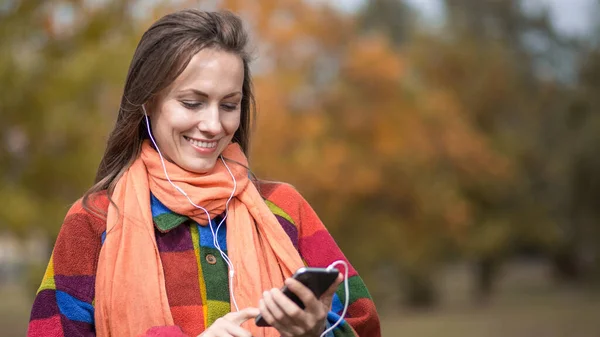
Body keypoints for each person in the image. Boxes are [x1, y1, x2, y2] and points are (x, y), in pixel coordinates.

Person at [27, 9, 380, 337]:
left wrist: (317, 331)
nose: (213, 125)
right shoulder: (94, 220)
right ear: (148, 102)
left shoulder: (285, 207)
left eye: (229, 105)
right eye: (192, 103)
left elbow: (364, 325)